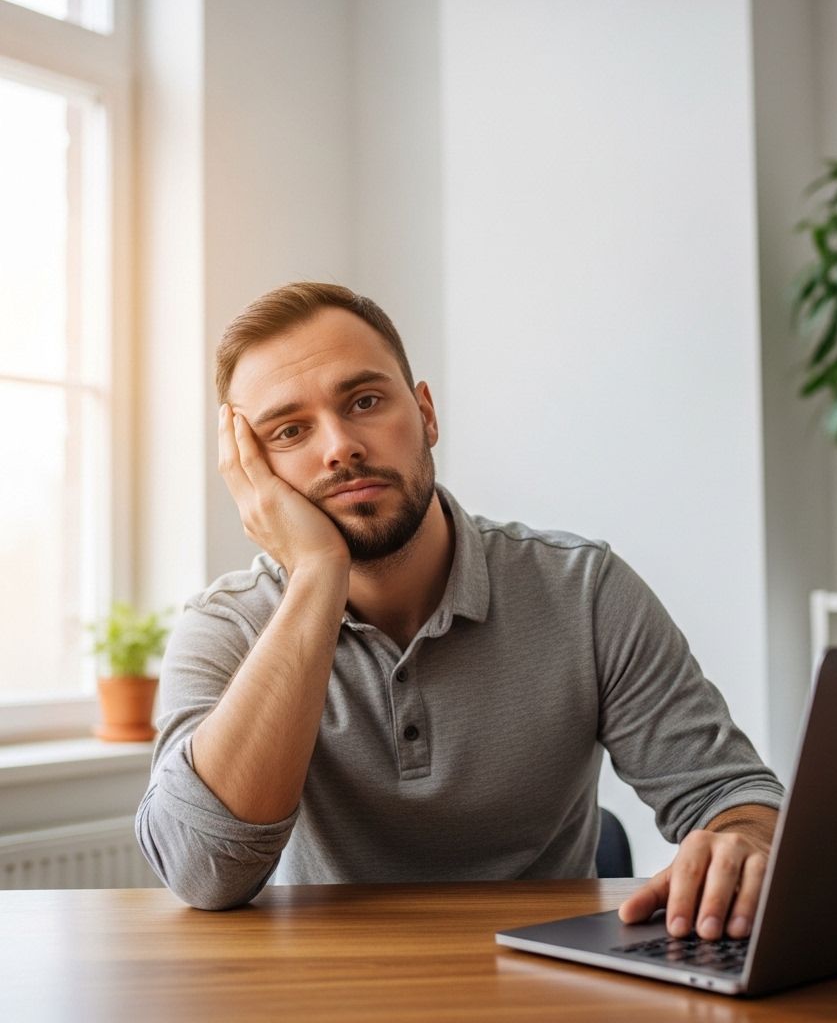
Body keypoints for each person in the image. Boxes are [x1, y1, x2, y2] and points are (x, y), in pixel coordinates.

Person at [136, 282, 784, 942]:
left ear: (425, 414)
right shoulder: (224, 627)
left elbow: (732, 798)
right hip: (325, 991)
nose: (340, 447)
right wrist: (315, 574)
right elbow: (202, 873)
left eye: (364, 401)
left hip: (553, 985)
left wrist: (745, 843)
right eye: (290, 430)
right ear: (253, 473)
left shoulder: (584, 590)